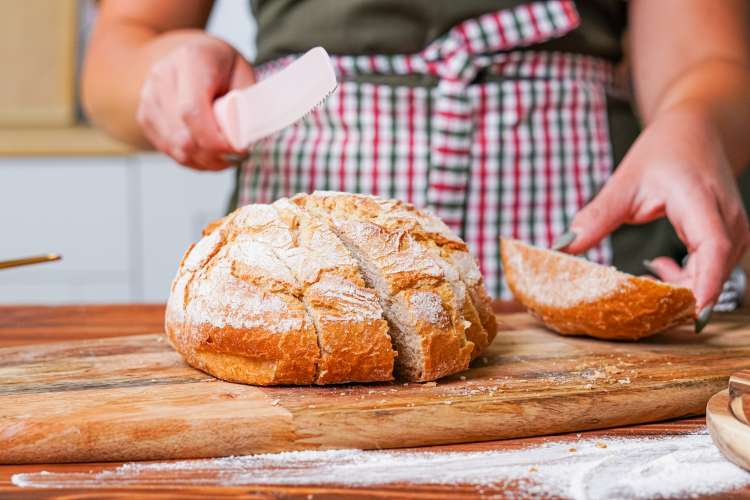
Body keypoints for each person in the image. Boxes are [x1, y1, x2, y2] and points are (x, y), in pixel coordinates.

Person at [82, 0, 750, 331]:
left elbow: (705, 59)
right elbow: (120, 48)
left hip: (586, 230)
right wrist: (163, 76)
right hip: (302, 262)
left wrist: (694, 121)